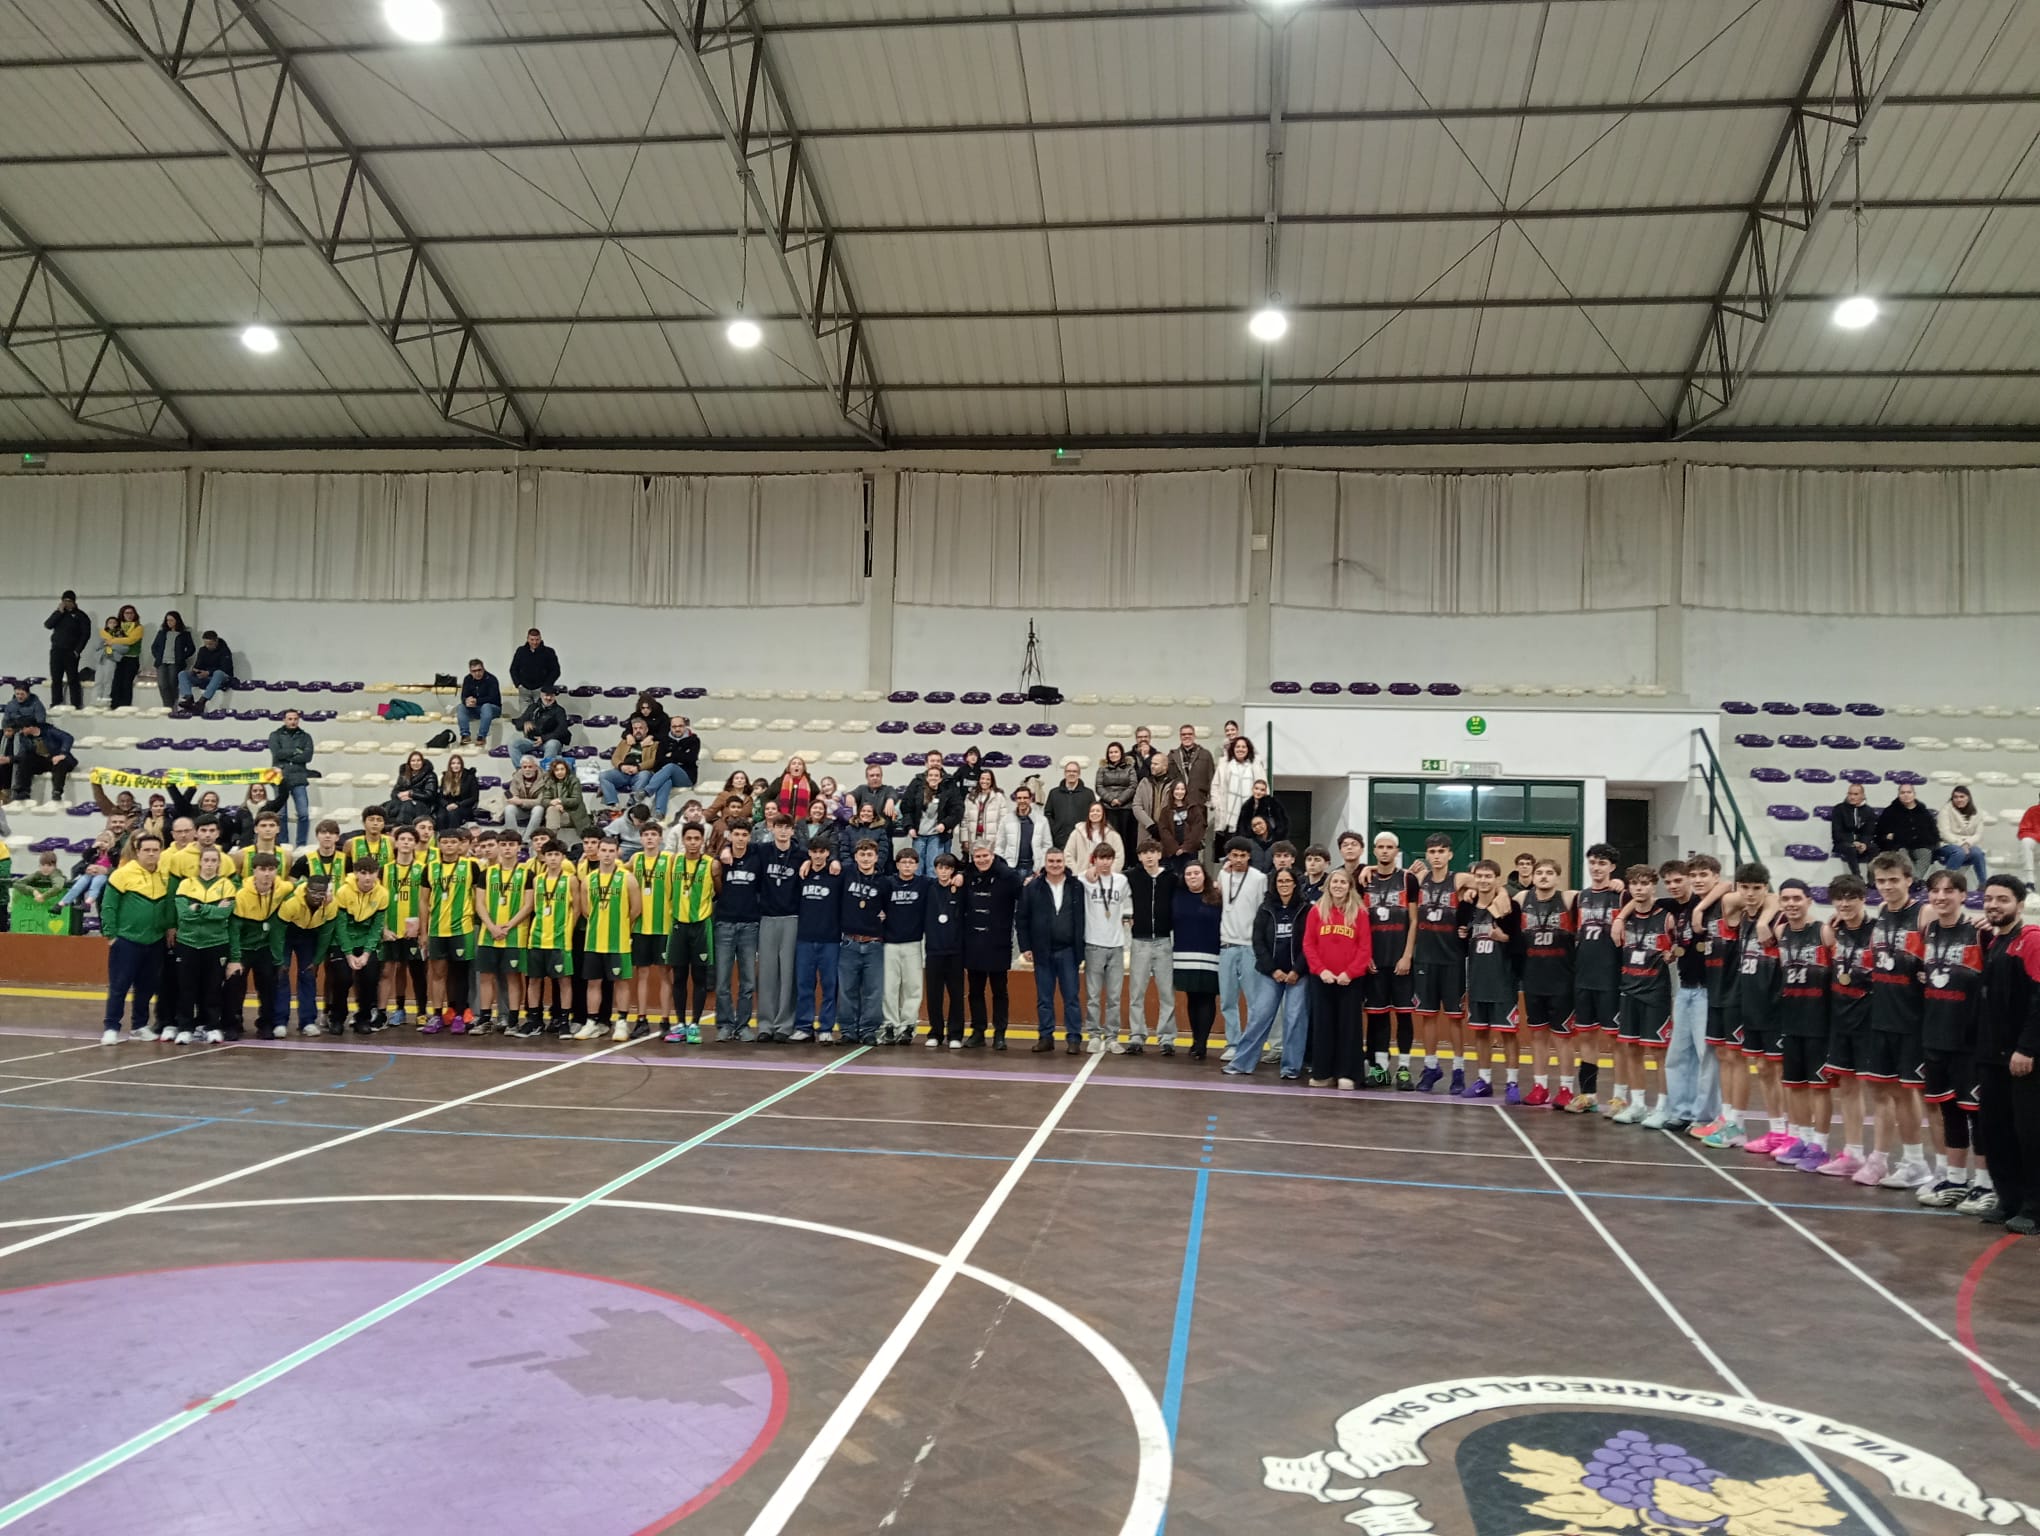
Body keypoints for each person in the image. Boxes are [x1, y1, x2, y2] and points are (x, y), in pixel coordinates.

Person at [1842, 853, 1934, 1188]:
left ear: (1909, 879)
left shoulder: (1924, 913)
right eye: (1881, 881)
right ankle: (1885, 1159)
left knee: (1912, 1094)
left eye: (1894, 879)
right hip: (1882, 1014)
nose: (1887, 886)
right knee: (1884, 1090)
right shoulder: (1881, 912)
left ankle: (1921, 1163)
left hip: (1913, 1017)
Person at [1915, 870, 1993, 1215]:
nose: (1941, 896)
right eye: (1935, 891)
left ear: (1963, 895)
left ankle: (1987, 1184)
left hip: (1970, 1041)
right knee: (1949, 1111)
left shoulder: (1979, 932)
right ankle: (1956, 1179)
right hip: (1936, 1037)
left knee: (1978, 1115)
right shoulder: (1929, 931)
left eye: (1949, 890)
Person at [1976, 873, 2040, 1235]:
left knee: (2029, 1135)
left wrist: (2027, 1048)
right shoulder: (1996, 941)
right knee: (1995, 1130)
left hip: (2023, 1058)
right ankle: (2009, 1200)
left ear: (2020, 904)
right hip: (1993, 1057)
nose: (1993, 905)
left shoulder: (2032, 940)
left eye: (2002, 899)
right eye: (1989, 899)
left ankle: (2035, 1209)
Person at [1816, 871, 1877, 1178]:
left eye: (1851, 898)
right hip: (1841, 1019)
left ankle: (1885, 1157)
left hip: (1870, 1020)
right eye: (1839, 899)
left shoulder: (1878, 931)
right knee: (1848, 1088)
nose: (1844, 904)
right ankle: (1853, 1152)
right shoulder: (1834, 932)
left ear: (1863, 899)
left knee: (1882, 1092)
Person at [1607, 862, 1676, 1124]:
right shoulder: (1624, 917)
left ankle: (1664, 1106)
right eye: (1634, 883)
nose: (1639, 888)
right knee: (1631, 1048)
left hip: (1655, 990)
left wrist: (1674, 953)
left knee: (1659, 1052)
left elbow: (1681, 945)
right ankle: (1637, 1104)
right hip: (1629, 987)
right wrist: (1619, 918)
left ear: (1653, 886)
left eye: (1644, 883)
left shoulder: (1666, 917)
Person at [1228, 865, 1310, 1079]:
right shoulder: (1265, 909)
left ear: (1295, 884)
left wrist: (1296, 970)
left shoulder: (1306, 909)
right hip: (1271, 975)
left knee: (1294, 1018)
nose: (1284, 885)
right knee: (1259, 1017)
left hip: (1298, 975)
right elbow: (1258, 942)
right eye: (1280, 881)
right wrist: (1273, 970)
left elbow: (1310, 943)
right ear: (1274, 885)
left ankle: (1290, 1068)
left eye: (1288, 881)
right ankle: (1241, 1063)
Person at [1662, 854, 1722, 1132]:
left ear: (1715, 877)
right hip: (1684, 989)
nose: (1697, 880)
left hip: (1707, 990)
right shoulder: (1681, 908)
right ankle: (1681, 1111)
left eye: (1703, 875)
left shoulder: (1721, 903)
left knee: (1705, 1055)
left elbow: (1731, 886)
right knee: (1677, 1055)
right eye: (1694, 875)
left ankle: (1705, 1115)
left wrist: (1701, 909)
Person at [1515, 856, 1578, 1107]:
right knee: (1538, 1035)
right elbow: (1495, 898)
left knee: (1563, 1037)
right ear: (1532, 876)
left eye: (1549, 872)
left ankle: (1566, 1088)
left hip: (1562, 979)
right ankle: (1540, 1086)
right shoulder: (1522, 899)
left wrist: (1616, 885)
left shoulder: (1568, 899)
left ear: (1558, 877)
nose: (1543, 876)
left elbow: (1601, 894)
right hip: (1533, 978)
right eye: (1539, 872)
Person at [99, 832, 173, 1044]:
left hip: (155, 941)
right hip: (127, 941)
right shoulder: (122, 874)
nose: (151, 854)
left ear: (161, 852)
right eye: (146, 850)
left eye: (155, 850)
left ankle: (139, 1026)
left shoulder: (165, 875)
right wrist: (111, 935)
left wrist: (168, 927)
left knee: (146, 987)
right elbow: (109, 906)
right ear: (137, 852)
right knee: (119, 986)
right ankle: (111, 1027)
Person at [1461, 859, 1524, 1102]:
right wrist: (1461, 935)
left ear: (1497, 879)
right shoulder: (1467, 906)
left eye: (1488, 876)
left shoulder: (1509, 907)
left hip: (1502, 980)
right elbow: (1461, 941)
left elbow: (1519, 943)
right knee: (1480, 1032)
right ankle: (1484, 1080)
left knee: (1508, 1033)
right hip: (1477, 979)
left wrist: (1505, 938)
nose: (1483, 880)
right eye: (1479, 876)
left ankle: (1512, 1082)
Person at [1302, 868, 1370, 1088]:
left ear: (1350, 887)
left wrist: (1350, 973)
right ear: (1328, 885)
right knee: (1323, 1026)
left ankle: (1347, 1074)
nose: (1338, 886)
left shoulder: (1359, 913)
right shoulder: (1316, 911)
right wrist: (1321, 970)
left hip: (1350, 981)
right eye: (1335, 882)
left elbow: (1365, 948)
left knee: (1349, 1028)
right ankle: (1323, 1073)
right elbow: (1308, 944)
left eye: (1343, 882)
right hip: (1322, 979)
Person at [1018, 847, 1085, 1054]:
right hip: (1042, 951)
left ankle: (1074, 1039)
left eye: (1058, 861)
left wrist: (1081, 948)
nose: (1055, 865)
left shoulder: (1076, 886)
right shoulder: (1033, 887)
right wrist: (1025, 946)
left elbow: (1082, 917)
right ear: (1045, 863)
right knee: (1044, 999)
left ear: (1064, 863)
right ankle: (1046, 1037)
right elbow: (1022, 918)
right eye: (1051, 861)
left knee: (1071, 997)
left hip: (1068, 951)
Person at [170, 845, 237, 1045]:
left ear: (219, 864)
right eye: (206, 860)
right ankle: (185, 1028)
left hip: (216, 943)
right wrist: (211, 909)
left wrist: (198, 908)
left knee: (213, 988)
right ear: (200, 862)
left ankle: (211, 1026)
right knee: (186, 988)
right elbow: (184, 914)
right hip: (188, 943)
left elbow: (224, 914)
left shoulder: (226, 885)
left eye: (213, 861)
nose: (209, 864)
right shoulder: (186, 884)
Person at [961, 840, 1023, 1049]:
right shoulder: (967, 875)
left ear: (993, 855)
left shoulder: (1009, 876)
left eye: (985, 856)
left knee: (999, 991)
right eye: (977, 856)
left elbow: (1024, 900)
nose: (982, 860)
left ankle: (1000, 1034)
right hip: (973, 942)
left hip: (998, 942)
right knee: (975, 991)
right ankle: (978, 1032)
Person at [225, 853, 291, 1041]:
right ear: (254, 871)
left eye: (271, 869)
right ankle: (232, 1023)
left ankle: (265, 1023)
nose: (267, 874)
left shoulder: (282, 888)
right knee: (234, 983)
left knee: (269, 984)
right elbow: (234, 930)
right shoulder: (241, 895)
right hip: (243, 946)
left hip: (264, 946)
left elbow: (300, 887)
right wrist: (234, 959)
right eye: (262, 869)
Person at [514, 843, 576, 1037]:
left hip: (560, 939)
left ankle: (564, 1021)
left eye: (557, 854)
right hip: (537, 938)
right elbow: (533, 907)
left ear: (563, 857)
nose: (553, 858)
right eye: (549, 854)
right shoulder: (537, 880)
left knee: (564, 981)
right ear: (544, 857)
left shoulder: (570, 880)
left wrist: (568, 930)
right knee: (534, 980)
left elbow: (577, 908)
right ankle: (534, 1020)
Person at [1213, 838, 1267, 1062]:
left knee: (1254, 1001)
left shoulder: (1259, 878)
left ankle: (1252, 1045)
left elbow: (1262, 913)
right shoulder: (1223, 875)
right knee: (1227, 1000)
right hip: (1226, 945)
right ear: (1228, 856)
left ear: (1249, 856)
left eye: (1242, 855)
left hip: (1249, 947)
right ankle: (1233, 1043)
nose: (1238, 860)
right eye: (1234, 855)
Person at [471, 832, 531, 1036]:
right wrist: (491, 926)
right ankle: (485, 1019)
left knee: (513, 978)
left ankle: (513, 1020)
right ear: (499, 846)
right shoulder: (486, 874)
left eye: (511, 844)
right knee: (485, 977)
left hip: (514, 935)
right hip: (488, 934)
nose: (507, 848)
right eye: (503, 844)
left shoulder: (526, 873)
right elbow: (479, 903)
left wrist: (508, 926)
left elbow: (528, 905)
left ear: (518, 847)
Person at [752, 815, 805, 1041]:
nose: (783, 831)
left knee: (788, 975)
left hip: (792, 919)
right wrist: (725, 849)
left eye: (787, 827)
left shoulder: (802, 855)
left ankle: (784, 1024)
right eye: (779, 827)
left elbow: (825, 858)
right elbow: (737, 847)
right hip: (767, 918)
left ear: (793, 831)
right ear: (772, 829)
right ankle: (765, 1024)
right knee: (766, 974)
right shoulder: (762, 851)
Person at [663, 822, 716, 1042]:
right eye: (689, 838)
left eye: (697, 839)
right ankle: (681, 1024)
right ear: (683, 840)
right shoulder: (674, 862)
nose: (693, 842)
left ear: (702, 841)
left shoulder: (711, 864)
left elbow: (718, 891)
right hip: (679, 925)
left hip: (701, 925)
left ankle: (695, 1024)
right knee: (679, 977)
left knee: (699, 977)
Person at [713, 820, 765, 1041]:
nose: (741, 838)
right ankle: (725, 1024)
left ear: (749, 837)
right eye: (737, 834)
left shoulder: (757, 856)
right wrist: (723, 852)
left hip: (749, 925)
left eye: (744, 834)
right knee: (722, 981)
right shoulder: (722, 860)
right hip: (724, 924)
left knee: (748, 982)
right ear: (730, 836)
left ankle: (743, 1025)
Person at [835, 837, 888, 1046]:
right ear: (855, 857)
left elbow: (891, 910)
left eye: (869, 855)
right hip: (849, 942)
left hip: (874, 944)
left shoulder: (884, 882)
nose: (866, 859)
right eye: (862, 854)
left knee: (873, 991)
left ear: (876, 857)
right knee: (847, 989)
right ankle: (848, 1030)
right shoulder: (846, 874)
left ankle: (868, 1030)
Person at [1079, 845, 1130, 1055]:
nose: (1105, 862)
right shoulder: (1085, 880)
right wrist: (1087, 871)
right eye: (1101, 858)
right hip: (1093, 944)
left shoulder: (1121, 881)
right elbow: (1068, 877)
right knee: (1093, 995)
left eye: (1109, 858)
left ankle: (1112, 1037)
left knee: (1114, 997)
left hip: (1116, 945)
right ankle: (1093, 1035)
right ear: (1095, 859)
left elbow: (1128, 905)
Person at [1171, 859, 1223, 1062]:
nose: (1192, 877)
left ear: (1204, 875)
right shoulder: (1177, 895)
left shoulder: (1216, 896)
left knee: (1207, 998)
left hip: (1211, 954)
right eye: (1188, 874)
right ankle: (1195, 1040)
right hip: (1184, 954)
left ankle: (1202, 1044)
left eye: (1196, 873)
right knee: (1192, 998)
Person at [882, 846, 932, 1046]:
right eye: (903, 862)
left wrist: (959, 877)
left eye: (911, 862)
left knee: (913, 987)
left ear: (917, 865)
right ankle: (890, 1025)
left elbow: (946, 878)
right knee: (889, 987)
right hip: (889, 943)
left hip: (913, 943)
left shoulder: (924, 883)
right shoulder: (888, 883)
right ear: (897, 865)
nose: (907, 866)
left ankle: (908, 1025)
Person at [277, 872, 338, 1036]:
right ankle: (279, 1022)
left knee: (308, 975)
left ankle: (308, 1021)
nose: (317, 896)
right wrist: (279, 958)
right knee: (281, 973)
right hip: (287, 932)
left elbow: (326, 935)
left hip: (310, 934)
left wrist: (317, 960)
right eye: (313, 892)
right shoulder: (291, 902)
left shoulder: (331, 905)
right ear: (306, 890)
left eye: (321, 893)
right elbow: (278, 932)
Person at [922, 852, 967, 1048]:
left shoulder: (960, 888)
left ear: (953, 870)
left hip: (955, 952)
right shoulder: (928, 887)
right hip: (933, 951)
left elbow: (971, 870)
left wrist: (962, 874)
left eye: (948, 868)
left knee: (956, 995)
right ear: (935, 869)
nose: (943, 872)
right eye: (940, 868)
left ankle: (955, 1035)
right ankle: (936, 1032)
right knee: (934, 995)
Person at [262, 707, 316, 844]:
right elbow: (277, 753)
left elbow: (307, 756)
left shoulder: (306, 736)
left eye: (295, 719)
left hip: (299, 777)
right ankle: (283, 844)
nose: (293, 721)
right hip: (280, 777)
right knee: (281, 815)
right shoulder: (275, 735)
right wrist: (297, 751)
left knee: (303, 814)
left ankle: (301, 844)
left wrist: (287, 754)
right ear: (284, 720)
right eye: (290, 719)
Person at [898, 761, 961, 874]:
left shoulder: (947, 792)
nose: (933, 778)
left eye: (936, 775)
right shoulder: (918, 790)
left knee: (933, 868)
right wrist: (909, 827)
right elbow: (907, 808)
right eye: (931, 775)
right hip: (919, 835)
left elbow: (956, 811)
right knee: (917, 868)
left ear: (940, 779)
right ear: (926, 778)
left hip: (936, 836)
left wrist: (945, 824)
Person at [1876, 782, 1938, 874]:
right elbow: (1881, 833)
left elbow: (1932, 832)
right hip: (1899, 846)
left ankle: (1913, 880)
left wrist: (1928, 842)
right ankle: (1914, 880)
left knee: (1926, 854)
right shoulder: (1890, 811)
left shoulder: (1923, 811)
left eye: (1909, 792)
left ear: (1914, 794)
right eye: (1903, 792)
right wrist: (1890, 837)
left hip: (1920, 845)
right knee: (1903, 857)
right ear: (1898, 795)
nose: (1906, 795)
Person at [601, 718, 663, 809]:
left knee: (645, 775)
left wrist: (638, 768)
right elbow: (615, 757)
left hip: (640, 772)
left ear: (646, 730)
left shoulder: (654, 744)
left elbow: (653, 760)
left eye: (641, 728)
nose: (638, 731)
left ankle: (633, 803)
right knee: (604, 776)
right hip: (623, 772)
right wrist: (621, 766)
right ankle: (613, 804)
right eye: (635, 728)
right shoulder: (624, 742)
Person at [43, 589, 89, 709]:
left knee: (72, 679)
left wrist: (77, 651)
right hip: (56, 650)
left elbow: (85, 635)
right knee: (56, 679)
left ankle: (76, 704)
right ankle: (56, 703)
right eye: (64, 601)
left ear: (74, 602)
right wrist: (59, 612)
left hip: (71, 652)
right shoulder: (59, 614)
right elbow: (48, 625)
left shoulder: (81, 616)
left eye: (69, 601)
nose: (67, 603)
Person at [9, 719, 74, 803]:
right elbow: (23, 753)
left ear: (30, 727)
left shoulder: (49, 730)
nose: (21, 731)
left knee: (60, 764)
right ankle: (23, 791)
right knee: (26, 759)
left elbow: (68, 738)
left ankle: (57, 791)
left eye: (22, 729)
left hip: (57, 758)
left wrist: (63, 753)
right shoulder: (24, 738)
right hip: (42, 761)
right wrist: (10, 759)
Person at [995, 783, 1050, 879]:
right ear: (1015, 799)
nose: (1022, 801)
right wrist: (1004, 867)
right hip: (1011, 868)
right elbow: (999, 846)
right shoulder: (1006, 820)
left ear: (1031, 799)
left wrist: (1041, 867)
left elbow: (1047, 846)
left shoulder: (1042, 820)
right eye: (1019, 798)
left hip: (1034, 870)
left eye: (1025, 798)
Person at [510, 686, 572, 770]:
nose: (549, 698)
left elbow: (562, 730)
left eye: (551, 696)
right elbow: (518, 721)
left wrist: (543, 738)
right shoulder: (533, 707)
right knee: (513, 744)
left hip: (549, 740)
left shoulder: (559, 710)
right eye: (546, 695)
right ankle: (521, 771)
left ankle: (545, 772)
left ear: (554, 696)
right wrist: (524, 724)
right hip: (532, 740)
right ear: (541, 695)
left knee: (552, 744)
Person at [1211, 736, 1256, 850]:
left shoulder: (1254, 766)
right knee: (1229, 851)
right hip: (1228, 818)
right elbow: (1215, 786)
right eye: (1238, 747)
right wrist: (1217, 804)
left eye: (1243, 747)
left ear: (1248, 749)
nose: (1240, 749)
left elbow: (1263, 787)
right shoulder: (1224, 766)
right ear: (1233, 749)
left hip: (1249, 817)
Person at [0, 682, 46, 793]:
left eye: (22, 694)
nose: (19, 696)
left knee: (18, 749)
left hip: (28, 734)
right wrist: (7, 729)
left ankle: (15, 784)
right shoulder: (11, 704)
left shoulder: (37, 704)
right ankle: (4, 786)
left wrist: (19, 727)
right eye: (17, 694)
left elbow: (40, 722)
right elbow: (5, 721)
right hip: (11, 734)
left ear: (28, 693)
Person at [1094, 742, 1139, 853]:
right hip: (1107, 807)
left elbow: (1133, 786)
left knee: (1125, 838)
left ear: (1121, 753)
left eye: (1116, 752)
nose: (1113, 754)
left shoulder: (1130, 768)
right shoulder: (1102, 769)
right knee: (1109, 837)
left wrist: (1120, 800)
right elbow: (1099, 787)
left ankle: (1126, 860)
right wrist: (1111, 800)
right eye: (1111, 752)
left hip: (1126, 808)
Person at [175, 629, 233, 713]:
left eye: (210, 644)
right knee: (182, 674)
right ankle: (188, 698)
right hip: (205, 677)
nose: (208, 646)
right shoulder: (202, 650)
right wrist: (195, 670)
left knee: (218, 673)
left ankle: (202, 701)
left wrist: (209, 672)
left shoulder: (225, 651)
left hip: (220, 678)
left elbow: (225, 668)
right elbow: (198, 665)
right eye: (206, 644)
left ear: (216, 641)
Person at [537, 757, 592, 845]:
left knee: (552, 810)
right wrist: (553, 803)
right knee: (552, 809)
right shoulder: (549, 781)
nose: (560, 772)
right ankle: (551, 840)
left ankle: (550, 841)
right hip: (558, 814)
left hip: (573, 815)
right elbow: (544, 800)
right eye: (557, 770)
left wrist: (560, 801)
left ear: (566, 770)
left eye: (562, 769)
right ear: (553, 772)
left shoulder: (574, 781)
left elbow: (576, 800)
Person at [1155, 779, 1205, 875]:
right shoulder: (1165, 811)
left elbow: (1197, 829)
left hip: (1189, 852)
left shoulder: (1193, 809)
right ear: (1172, 791)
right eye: (1177, 789)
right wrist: (1175, 848)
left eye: (1182, 789)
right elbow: (1163, 830)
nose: (1180, 792)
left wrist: (1185, 847)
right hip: (1171, 852)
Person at [509, 627, 561, 718]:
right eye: (532, 640)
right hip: (524, 690)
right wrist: (518, 684)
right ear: (527, 639)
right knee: (525, 717)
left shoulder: (549, 652)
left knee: (541, 716)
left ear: (540, 639)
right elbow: (513, 669)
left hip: (541, 690)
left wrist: (546, 686)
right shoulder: (521, 651)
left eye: (537, 639)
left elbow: (556, 671)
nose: (535, 642)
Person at [59, 832, 115, 916]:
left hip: (102, 875)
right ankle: (62, 903)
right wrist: (93, 848)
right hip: (91, 873)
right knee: (79, 883)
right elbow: (85, 856)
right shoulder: (96, 854)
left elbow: (116, 862)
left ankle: (88, 902)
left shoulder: (112, 854)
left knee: (96, 883)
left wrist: (109, 851)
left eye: (106, 842)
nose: (102, 844)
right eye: (100, 842)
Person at [1939, 786, 1988, 882]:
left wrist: (1967, 843)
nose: (1959, 800)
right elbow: (1944, 833)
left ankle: (1983, 884)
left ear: (1968, 798)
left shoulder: (1978, 813)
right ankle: (1947, 883)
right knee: (1959, 852)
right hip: (1948, 844)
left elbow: (1978, 835)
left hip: (1969, 845)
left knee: (1978, 853)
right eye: (1955, 797)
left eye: (1962, 797)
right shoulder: (1945, 811)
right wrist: (1961, 844)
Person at [1063, 798, 1125, 874]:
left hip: (1106, 876)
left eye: (1098, 811)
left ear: (1103, 814)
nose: (1095, 813)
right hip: (1082, 876)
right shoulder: (1076, 833)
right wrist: (1077, 873)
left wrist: (1109, 874)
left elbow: (1119, 858)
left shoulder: (1113, 835)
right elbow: (1068, 855)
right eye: (1092, 811)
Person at [99, 604, 143, 709]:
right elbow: (104, 633)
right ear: (122, 614)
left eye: (131, 613)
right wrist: (112, 640)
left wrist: (112, 641)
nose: (129, 615)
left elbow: (130, 640)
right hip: (117, 658)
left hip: (131, 659)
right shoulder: (117, 626)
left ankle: (125, 707)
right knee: (115, 683)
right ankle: (114, 707)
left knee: (126, 684)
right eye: (126, 613)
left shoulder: (138, 627)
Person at [1045, 759, 1096, 849]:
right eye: (1068, 771)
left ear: (1079, 774)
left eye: (1074, 771)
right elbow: (1048, 814)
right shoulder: (1054, 793)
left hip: (1082, 839)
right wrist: (1055, 829)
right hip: (1059, 840)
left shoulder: (1088, 794)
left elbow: (1093, 815)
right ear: (1064, 773)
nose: (1071, 773)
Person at [150, 610, 195, 711]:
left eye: (171, 620)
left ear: (177, 621)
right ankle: (167, 706)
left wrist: (182, 656)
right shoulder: (162, 633)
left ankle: (173, 705)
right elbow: (154, 647)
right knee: (162, 684)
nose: (169, 622)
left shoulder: (184, 634)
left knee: (172, 683)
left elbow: (191, 648)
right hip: (162, 662)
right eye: (167, 620)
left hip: (175, 663)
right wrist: (158, 656)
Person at [961, 768, 1010, 859]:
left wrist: (1000, 840)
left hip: (992, 839)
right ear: (979, 780)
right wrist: (965, 839)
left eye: (988, 779)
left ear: (992, 781)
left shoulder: (999, 797)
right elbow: (965, 819)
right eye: (982, 778)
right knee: (976, 862)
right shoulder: (970, 796)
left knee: (991, 863)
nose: (985, 781)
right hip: (974, 838)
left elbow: (1003, 821)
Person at [1831, 781, 1876, 877]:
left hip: (1860, 844)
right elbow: (1837, 832)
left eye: (1855, 794)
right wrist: (1853, 842)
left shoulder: (1869, 811)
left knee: (1874, 848)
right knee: (1850, 848)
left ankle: (1872, 880)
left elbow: (1869, 832)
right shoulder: (1839, 809)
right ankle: (1857, 877)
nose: (1852, 797)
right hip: (1843, 843)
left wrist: (1864, 844)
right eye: (1850, 794)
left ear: (1862, 795)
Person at [1166, 723, 1215, 810]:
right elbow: (1168, 779)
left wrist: (1212, 799)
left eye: (1190, 734)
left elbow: (1212, 778)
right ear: (1180, 736)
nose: (1187, 736)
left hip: (1199, 800)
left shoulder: (1205, 754)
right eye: (1183, 734)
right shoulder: (1172, 756)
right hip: (1179, 801)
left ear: (1194, 736)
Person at [454, 658, 502, 747]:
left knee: (486, 706)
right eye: (474, 671)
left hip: (492, 709)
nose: (477, 673)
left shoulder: (491, 679)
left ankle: (481, 736)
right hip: (475, 708)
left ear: (483, 669)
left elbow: (493, 698)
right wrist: (467, 701)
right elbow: (463, 696)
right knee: (461, 707)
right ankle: (465, 735)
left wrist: (477, 701)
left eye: (479, 670)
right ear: (470, 671)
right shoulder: (467, 679)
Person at [390, 749, 440, 825]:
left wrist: (411, 794)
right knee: (388, 806)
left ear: (422, 762)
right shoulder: (404, 774)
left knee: (407, 806)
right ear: (409, 763)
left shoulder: (430, 775)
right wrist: (400, 796)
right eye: (413, 761)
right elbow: (394, 792)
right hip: (404, 802)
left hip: (423, 804)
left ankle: (404, 828)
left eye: (418, 760)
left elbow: (429, 795)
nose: (416, 763)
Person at [436, 753, 479, 831]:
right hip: (447, 805)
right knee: (440, 816)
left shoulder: (470, 777)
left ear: (461, 765)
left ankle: (453, 836)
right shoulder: (445, 777)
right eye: (453, 763)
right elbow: (440, 797)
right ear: (450, 765)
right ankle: (441, 836)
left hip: (464, 806)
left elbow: (474, 797)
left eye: (458, 763)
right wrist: (446, 805)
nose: (455, 765)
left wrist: (458, 805)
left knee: (452, 814)